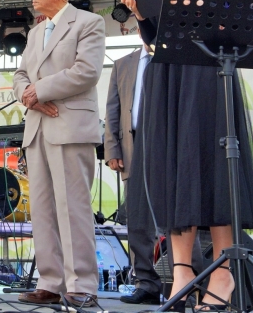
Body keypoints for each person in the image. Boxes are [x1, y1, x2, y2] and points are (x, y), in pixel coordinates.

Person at [121, 0, 253, 310]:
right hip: (167, 73)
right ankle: (181, 273)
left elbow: (245, 19)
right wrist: (142, 16)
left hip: (208, 72)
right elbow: (156, 39)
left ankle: (223, 274)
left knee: (214, 163)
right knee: (174, 167)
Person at [12, 0, 106, 308]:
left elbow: (87, 71)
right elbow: (20, 75)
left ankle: (82, 285)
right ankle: (50, 282)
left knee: (73, 208)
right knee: (42, 210)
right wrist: (30, 97)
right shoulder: (36, 31)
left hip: (70, 127)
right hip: (38, 126)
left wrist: (40, 90)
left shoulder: (89, 22)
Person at [104, 35, 163, 305]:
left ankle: (189, 280)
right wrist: (112, 149)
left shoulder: (174, 57)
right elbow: (113, 109)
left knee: (177, 218)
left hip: (167, 142)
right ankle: (146, 283)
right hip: (133, 145)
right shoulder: (122, 64)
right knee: (138, 221)